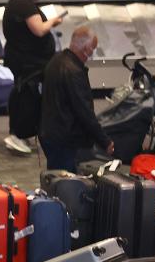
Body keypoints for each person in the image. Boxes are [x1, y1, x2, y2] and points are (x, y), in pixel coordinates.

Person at [1, 0, 63, 156]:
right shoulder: (25, 6)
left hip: (22, 59)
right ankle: (18, 133)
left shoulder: (16, 3)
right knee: (27, 95)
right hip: (29, 62)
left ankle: (21, 131)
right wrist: (53, 21)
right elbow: (38, 30)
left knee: (24, 93)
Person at [40, 26, 115, 173]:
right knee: (66, 184)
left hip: (50, 133)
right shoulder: (74, 71)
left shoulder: (56, 61)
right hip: (65, 138)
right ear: (86, 48)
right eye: (92, 49)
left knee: (56, 179)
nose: (92, 53)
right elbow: (84, 111)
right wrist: (104, 141)